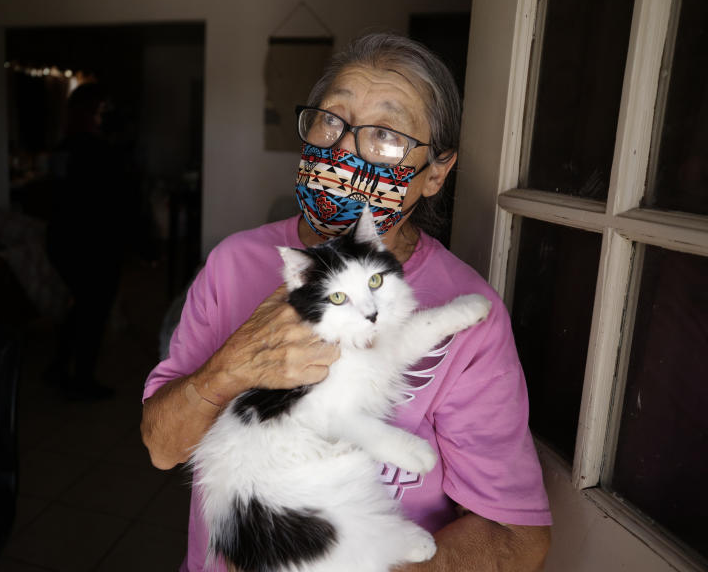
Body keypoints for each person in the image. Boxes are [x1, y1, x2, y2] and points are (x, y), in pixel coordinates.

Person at [141, 33, 552, 571]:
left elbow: (517, 539)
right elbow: (162, 447)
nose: (344, 149)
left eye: (384, 132)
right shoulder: (233, 261)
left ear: (434, 172)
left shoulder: (469, 310)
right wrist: (229, 367)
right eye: (331, 120)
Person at [45, 82, 121, 400]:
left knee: (82, 305)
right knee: (93, 309)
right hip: (87, 242)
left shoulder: (64, 147)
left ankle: (60, 368)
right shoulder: (95, 150)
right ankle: (82, 380)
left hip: (63, 240)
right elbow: (106, 202)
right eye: (102, 109)